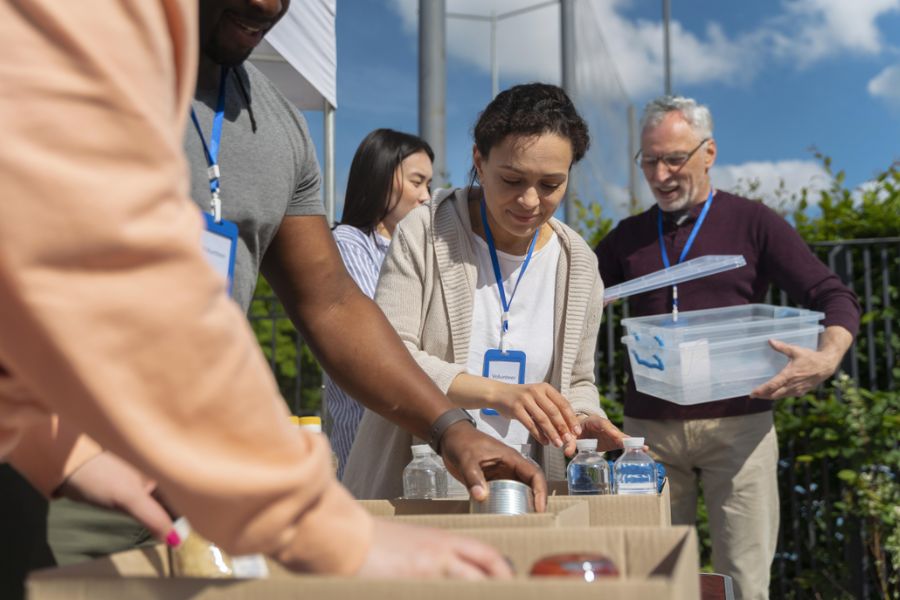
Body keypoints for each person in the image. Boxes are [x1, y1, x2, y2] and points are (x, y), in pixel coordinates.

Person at [1, 0, 530, 593]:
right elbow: (124, 281)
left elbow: (332, 303)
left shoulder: (278, 126)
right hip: (48, 473)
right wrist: (310, 521)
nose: (269, 5)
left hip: (194, 484)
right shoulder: (80, 51)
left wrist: (448, 425)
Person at [594, 95, 860, 600]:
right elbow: (573, 297)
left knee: (744, 578)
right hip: (648, 434)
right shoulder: (627, 237)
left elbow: (832, 294)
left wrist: (826, 358)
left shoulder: (754, 223)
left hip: (741, 427)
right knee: (653, 579)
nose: (660, 173)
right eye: (649, 160)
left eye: (674, 158)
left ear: (709, 152)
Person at [343, 83, 631, 500]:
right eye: (512, 179)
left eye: (551, 184)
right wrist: (500, 394)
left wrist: (580, 417)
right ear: (479, 161)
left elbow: (579, 379)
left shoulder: (578, 263)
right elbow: (387, 355)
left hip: (523, 490)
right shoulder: (425, 231)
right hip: (418, 484)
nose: (530, 200)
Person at [324, 129, 434, 477]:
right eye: (417, 182)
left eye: (428, 185)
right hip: (366, 425)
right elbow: (379, 325)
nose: (426, 197)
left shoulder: (417, 248)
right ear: (381, 175)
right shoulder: (348, 242)